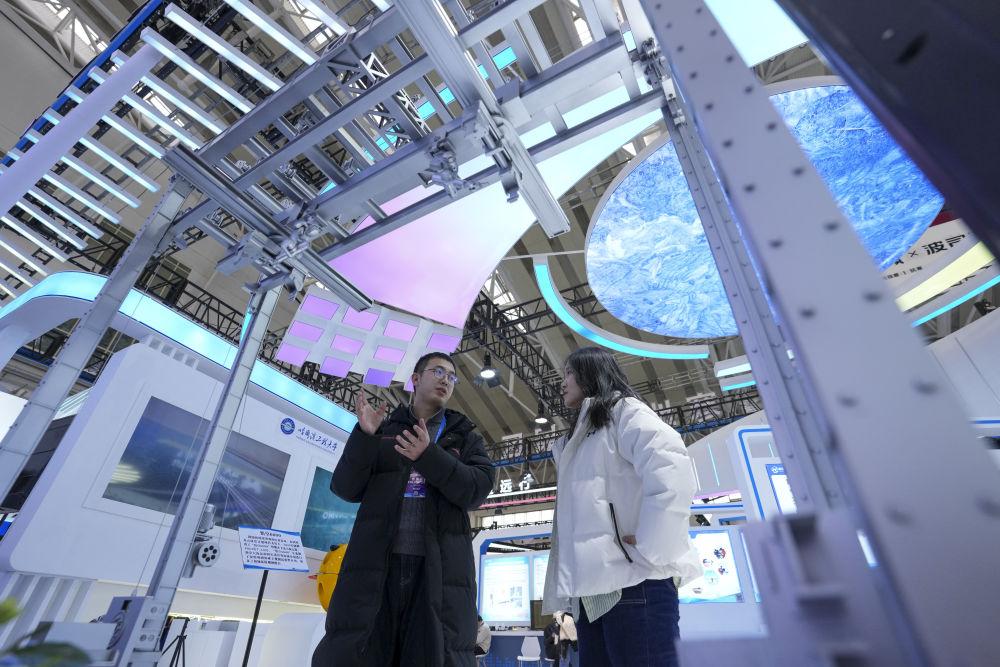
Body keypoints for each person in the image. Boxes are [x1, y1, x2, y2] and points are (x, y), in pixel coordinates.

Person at [312, 352, 495, 667]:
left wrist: (428, 455)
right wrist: (364, 438)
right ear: (415, 379)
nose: (446, 380)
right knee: (364, 652)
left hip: (436, 572)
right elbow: (345, 488)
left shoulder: (465, 436)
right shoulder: (384, 430)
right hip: (377, 567)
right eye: (438, 372)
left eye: (452, 376)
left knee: (430, 654)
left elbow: (476, 489)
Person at [542, 347, 700, 667]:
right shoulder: (581, 435)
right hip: (593, 597)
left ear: (590, 373)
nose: (563, 382)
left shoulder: (625, 412)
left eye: (569, 372)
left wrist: (652, 546)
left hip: (637, 586)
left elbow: (672, 471)